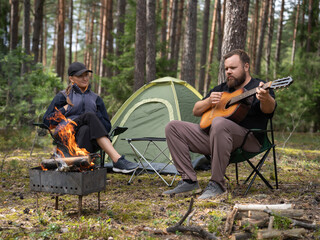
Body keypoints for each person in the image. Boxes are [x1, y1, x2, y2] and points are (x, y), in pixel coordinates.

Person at [162, 49, 276, 199]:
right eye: (226, 69)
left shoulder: (259, 86)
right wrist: (209, 101)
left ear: (246, 67)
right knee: (173, 127)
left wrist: (265, 98)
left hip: (249, 139)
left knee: (219, 122)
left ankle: (217, 184)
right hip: (216, 139)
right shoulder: (221, 89)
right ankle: (189, 181)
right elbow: (196, 110)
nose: (229, 72)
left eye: (233, 68)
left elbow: (269, 110)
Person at [43, 62, 138, 173]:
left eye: (86, 75)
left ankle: (80, 165)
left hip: (86, 139)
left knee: (86, 128)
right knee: (89, 115)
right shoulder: (63, 96)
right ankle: (117, 160)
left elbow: (107, 127)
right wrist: (64, 108)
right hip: (66, 135)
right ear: (71, 78)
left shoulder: (95, 98)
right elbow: (46, 122)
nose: (85, 78)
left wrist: (97, 115)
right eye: (80, 76)